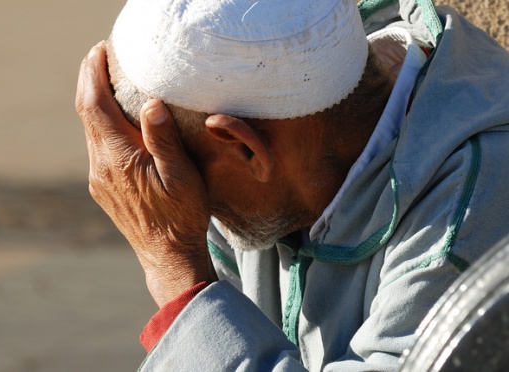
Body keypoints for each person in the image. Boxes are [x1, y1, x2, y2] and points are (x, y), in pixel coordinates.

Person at [75, 0, 509, 370]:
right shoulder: (274, 183)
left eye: (180, 171)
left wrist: (174, 272)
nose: (175, 201)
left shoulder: (469, 215)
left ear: (244, 148)